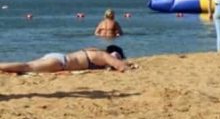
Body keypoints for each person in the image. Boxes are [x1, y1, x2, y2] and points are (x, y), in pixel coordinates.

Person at [1, 45, 130, 74]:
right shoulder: (103, 56)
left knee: (27, 65)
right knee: (26, 67)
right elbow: (121, 67)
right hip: (61, 63)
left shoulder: (94, 51)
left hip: (58, 57)